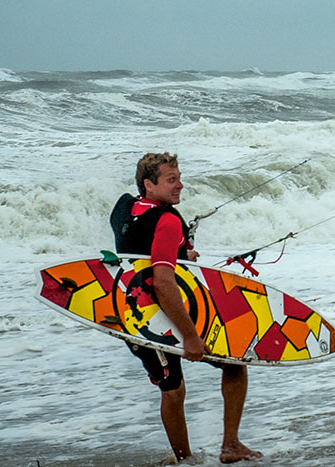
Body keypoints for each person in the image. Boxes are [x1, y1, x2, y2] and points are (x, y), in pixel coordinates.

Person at [110, 152, 261, 463]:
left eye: (179, 177)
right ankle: (199, 455)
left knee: (196, 378)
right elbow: (163, 282)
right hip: (159, 317)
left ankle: (201, 455)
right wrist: (190, 336)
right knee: (182, 386)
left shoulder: (123, 207)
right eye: (171, 180)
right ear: (149, 184)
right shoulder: (167, 221)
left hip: (128, 311)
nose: (180, 185)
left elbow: (139, 252)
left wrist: (181, 256)